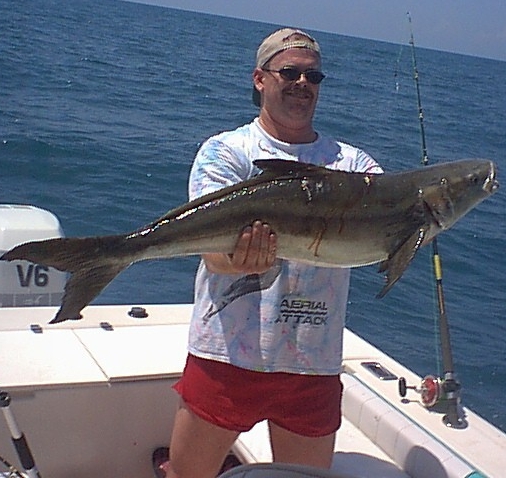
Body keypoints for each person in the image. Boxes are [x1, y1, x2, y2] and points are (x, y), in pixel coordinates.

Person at [153, 27, 382, 478]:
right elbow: (214, 255)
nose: (302, 84)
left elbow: (382, 226)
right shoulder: (226, 152)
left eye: (313, 77)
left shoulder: (355, 166)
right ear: (260, 78)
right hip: (228, 354)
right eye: (290, 72)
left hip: (312, 360)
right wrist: (238, 258)